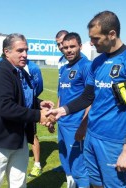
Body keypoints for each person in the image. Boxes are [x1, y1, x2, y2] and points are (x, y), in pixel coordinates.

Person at [50, 11, 126, 187]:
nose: (91, 43)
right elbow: (87, 97)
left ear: (111, 34)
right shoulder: (97, 62)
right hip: (91, 136)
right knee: (94, 183)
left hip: (113, 141)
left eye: (95, 38)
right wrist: (63, 110)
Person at [0, 33, 54, 187]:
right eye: (20, 51)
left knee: (19, 183)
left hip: (19, 139)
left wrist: (38, 103)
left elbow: (21, 98)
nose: (25, 54)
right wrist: (38, 115)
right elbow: (6, 107)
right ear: (7, 52)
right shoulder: (1, 73)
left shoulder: (22, 72)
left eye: (26, 50)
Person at [52, 32, 91, 188]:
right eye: (65, 47)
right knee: (65, 158)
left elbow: (90, 98)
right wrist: (54, 116)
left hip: (76, 124)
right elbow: (61, 95)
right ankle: (71, 182)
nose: (68, 50)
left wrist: (83, 124)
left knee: (79, 166)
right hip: (63, 122)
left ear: (80, 46)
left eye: (72, 46)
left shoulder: (86, 66)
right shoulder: (64, 68)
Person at [25, 60, 44, 178]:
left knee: (32, 135)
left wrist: (30, 99)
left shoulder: (33, 67)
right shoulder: (5, 63)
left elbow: (39, 86)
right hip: (14, 107)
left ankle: (37, 165)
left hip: (29, 107)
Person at [53, 29, 69, 173]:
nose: (60, 47)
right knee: (62, 141)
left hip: (74, 110)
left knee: (74, 144)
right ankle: (65, 167)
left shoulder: (82, 61)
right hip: (62, 106)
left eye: (62, 43)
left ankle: (76, 174)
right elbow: (61, 88)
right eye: (58, 44)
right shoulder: (60, 61)